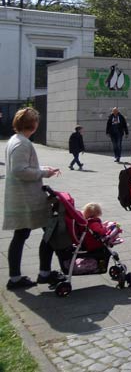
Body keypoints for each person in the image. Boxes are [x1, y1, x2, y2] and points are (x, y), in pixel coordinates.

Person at [3, 108, 66, 290]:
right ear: (34, 124)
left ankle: (15, 277)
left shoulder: (16, 140)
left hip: (20, 197)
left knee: (21, 235)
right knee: (50, 231)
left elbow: (23, 165)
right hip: (28, 198)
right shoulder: (23, 143)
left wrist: (44, 167)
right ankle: (43, 273)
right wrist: (44, 173)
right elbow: (19, 170)